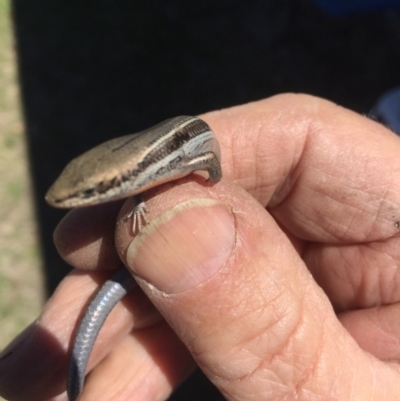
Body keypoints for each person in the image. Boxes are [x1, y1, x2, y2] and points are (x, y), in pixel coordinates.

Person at [1, 94, 400, 400]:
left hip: (179, 146)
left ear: (112, 183)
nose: (73, 200)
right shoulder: (144, 175)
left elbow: (208, 156)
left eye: (86, 193)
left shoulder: (155, 166)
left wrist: (212, 179)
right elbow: (146, 186)